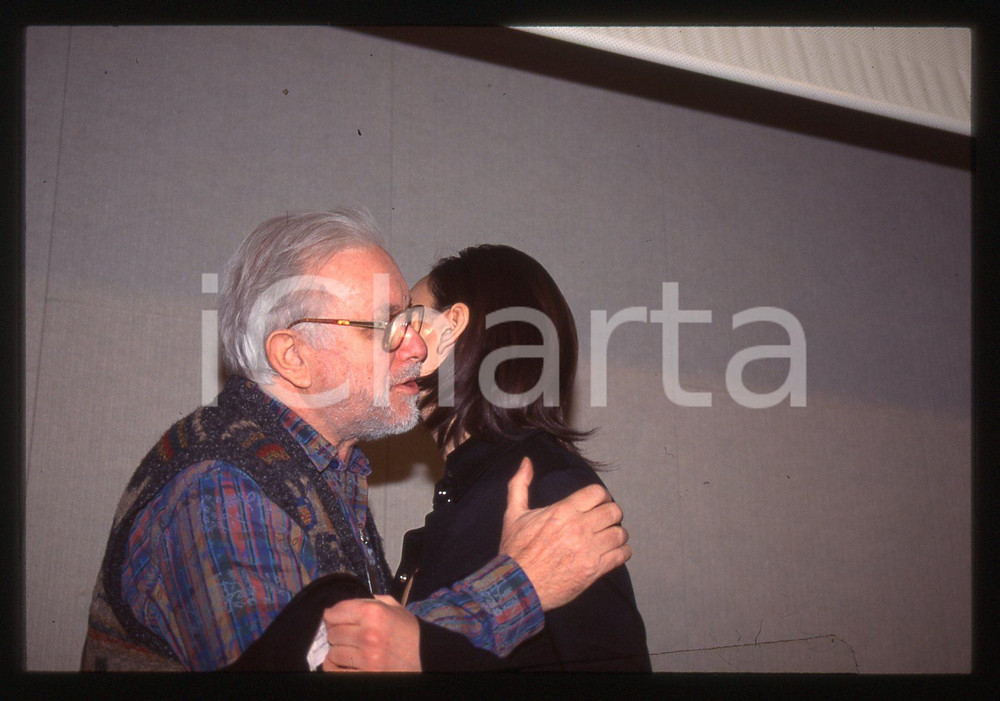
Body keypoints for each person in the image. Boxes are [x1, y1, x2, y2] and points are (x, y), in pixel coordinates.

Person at [80, 210, 632, 672]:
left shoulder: (328, 479)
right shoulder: (221, 485)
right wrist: (517, 587)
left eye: (415, 323)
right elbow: (322, 667)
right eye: (390, 325)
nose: (416, 348)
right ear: (293, 357)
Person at [322, 244, 651, 671]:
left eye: (409, 321)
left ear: (453, 326)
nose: (392, 342)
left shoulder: (547, 486)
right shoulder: (469, 492)